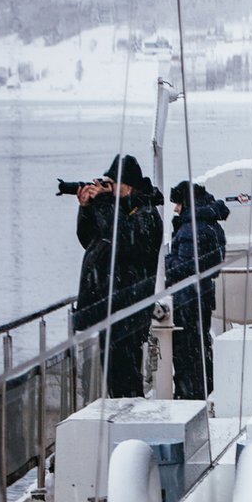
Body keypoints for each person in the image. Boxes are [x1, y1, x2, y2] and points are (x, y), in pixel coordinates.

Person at [73, 154, 164, 398]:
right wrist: (86, 209)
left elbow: (123, 241)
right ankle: (125, 421)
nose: (107, 189)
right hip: (111, 307)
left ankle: (131, 425)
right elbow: (90, 241)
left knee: (125, 377)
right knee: (114, 377)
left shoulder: (145, 214)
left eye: (111, 184)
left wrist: (103, 203)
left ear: (127, 185)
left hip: (129, 308)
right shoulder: (120, 212)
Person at [165, 181, 229, 400]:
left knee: (186, 349)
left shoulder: (191, 228)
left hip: (187, 300)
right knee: (200, 346)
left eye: (178, 203)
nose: (175, 209)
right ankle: (202, 388)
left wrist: (167, 261)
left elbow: (184, 267)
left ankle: (189, 394)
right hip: (202, 295)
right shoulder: (210, 223)